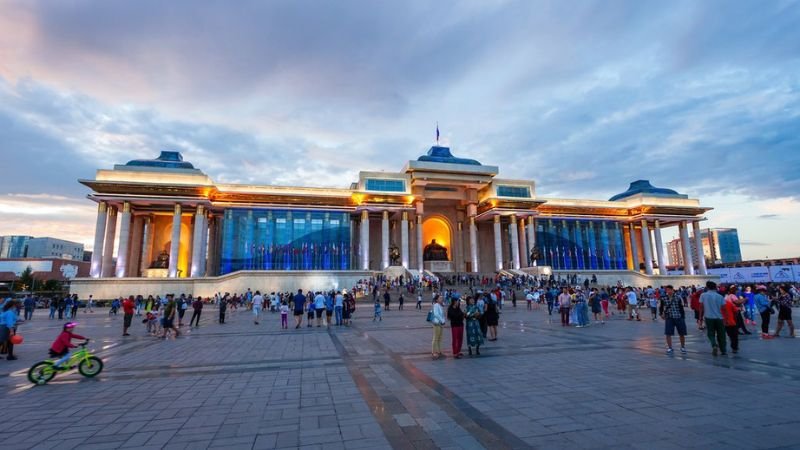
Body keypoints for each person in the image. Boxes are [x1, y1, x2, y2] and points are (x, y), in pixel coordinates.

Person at [700, 281, 727, 356]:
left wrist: (700, 318)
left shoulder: (703, 295)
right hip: (719, 318)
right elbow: (724, 308)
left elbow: (701, 307)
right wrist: (726, 319)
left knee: (710, 333)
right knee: (721, 334)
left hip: (708, 317)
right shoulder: (720, 296)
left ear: (707, 287)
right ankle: (723, 350)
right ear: (715, 287)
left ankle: (714, 345)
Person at [659, 285, 687, 354]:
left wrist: (683, 317)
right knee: (668, 333)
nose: (668, 291)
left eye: (669, 290)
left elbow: (681, 308)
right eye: (667, 290)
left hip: (678, 316)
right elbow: (661, 307)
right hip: (669, 317)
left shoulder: (678, 297)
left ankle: (682, 347)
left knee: (681, 333)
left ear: (672, 290)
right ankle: (670, 347)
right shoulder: (664, 298)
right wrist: (661, 314)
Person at [722, 287, 741, 354]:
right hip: (731, 321)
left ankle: (721, 348)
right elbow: (736, 311)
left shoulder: (718, 304)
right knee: (734, 336)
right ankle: (734, 348)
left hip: (721, 322)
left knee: (721, 335)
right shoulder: (729, 303)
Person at [431, 295, 445, 360]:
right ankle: (434, 351)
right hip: (437, 323)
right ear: (436, 300)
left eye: (442, 298)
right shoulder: (436, 305)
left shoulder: (440, 305)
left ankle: (439, 351)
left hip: (440, 323)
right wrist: (442, 320)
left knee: (439, 338)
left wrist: (443, 321)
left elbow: (442, 314)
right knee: (436, 338)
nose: (441, 299)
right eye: (440, 298)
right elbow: (436, 314)